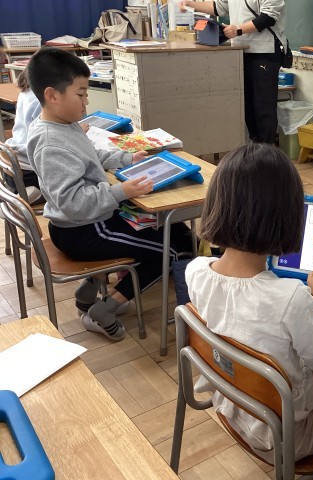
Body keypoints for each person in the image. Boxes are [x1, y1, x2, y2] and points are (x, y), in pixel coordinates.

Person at [185, 143, 313, 461]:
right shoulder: (288, 297)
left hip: (234, 404)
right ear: (287, 216)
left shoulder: (196, 271)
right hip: (287, 434)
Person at [26, 47, 193, 341]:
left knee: (178, 232)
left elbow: (91, 156)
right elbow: (73, 202)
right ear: (52, 95)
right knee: (171, 250)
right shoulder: (51, 143)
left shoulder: (63, 124)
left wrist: (127, 159)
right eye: (80, 94)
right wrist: (120, 191)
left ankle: (88, 290)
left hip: (87, 223)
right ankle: (105, 309)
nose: (86, 101)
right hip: (85, 229)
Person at [181, 0, 285, 144]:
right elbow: (218, 7)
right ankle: (256, 147)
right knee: (247, 106)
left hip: (264, 52)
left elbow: (268, 17)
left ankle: (267, 149)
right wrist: (191, 3)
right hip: (239, 50)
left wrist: (238, 30)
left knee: (263, 107)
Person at [4, 70, 42, 203]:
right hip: (29, 175)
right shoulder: (41, 100)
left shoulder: (26, 92)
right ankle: (28, 197)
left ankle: (18, 197)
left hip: (14, 168)